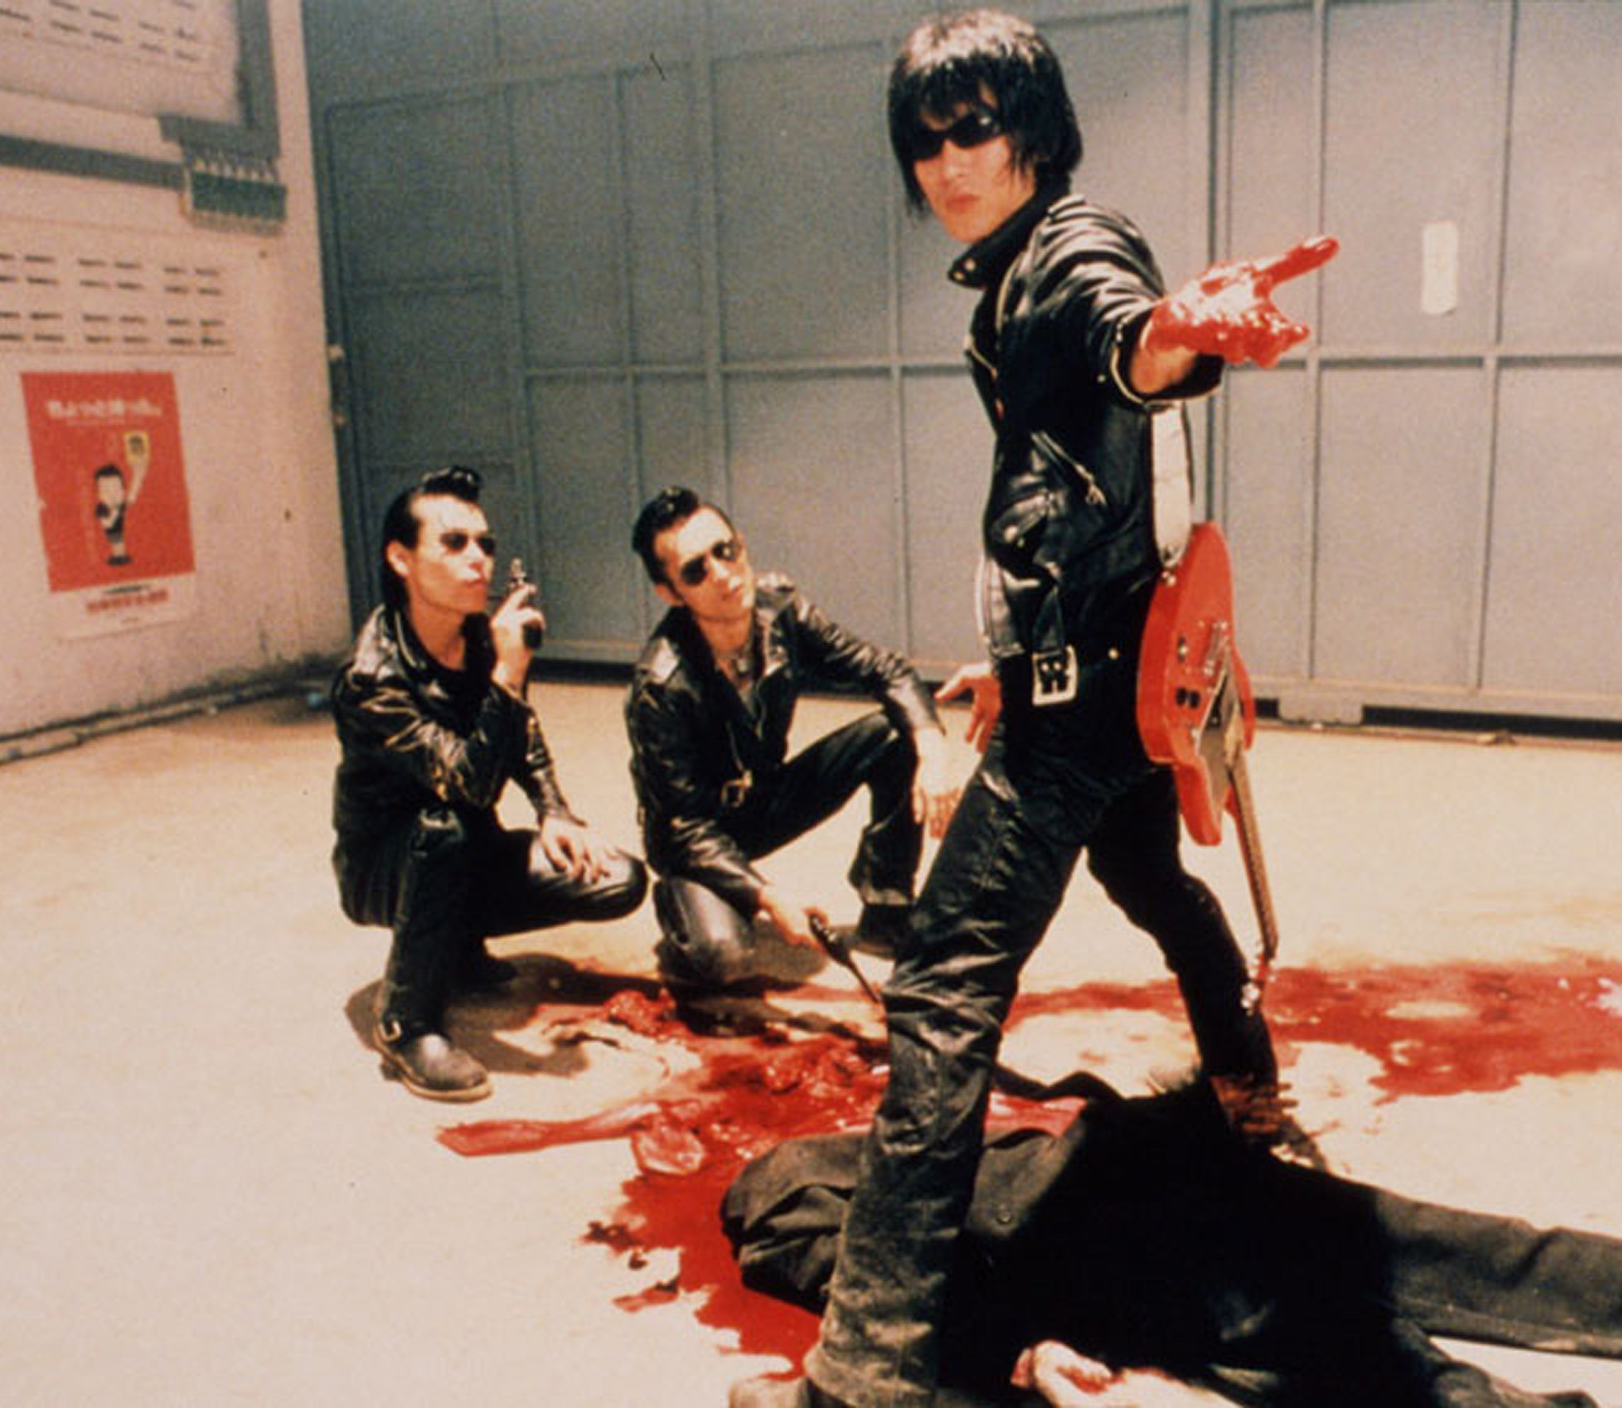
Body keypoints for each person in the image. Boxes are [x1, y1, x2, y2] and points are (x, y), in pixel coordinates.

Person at [733, 11, 1339, 1404]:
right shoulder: (1008, 279)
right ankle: (1244, 1079)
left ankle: (863, 1373)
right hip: (1105, 683)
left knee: (940, 995)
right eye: (924, 141)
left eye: (977, 128)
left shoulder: (1069, 252)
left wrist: (1174, 335)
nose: (950, 162)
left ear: (1036, 132)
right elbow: (1081, 477)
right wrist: (1014, 661)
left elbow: (1124, 341)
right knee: (1150, 879)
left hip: (1083, 713)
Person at [722, 1081, 1622, 1407]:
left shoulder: (933, 1121)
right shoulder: (784, 1188)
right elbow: (879, 1284)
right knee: (1383, 1329)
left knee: (1447, 1256)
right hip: (1120, 1253)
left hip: (1167, 1194)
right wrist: (1021, 1350)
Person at [331, 465, 645, 1101]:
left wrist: (555, 810)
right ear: (400, 558)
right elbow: (468, 784)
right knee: (442, 825)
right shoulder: (372, 678)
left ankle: (455, 946)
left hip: (464, 846)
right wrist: (506, 672)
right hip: (384, 868)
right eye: (454, 543)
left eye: (485, 543)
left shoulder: (476, 636)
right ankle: (406, 1022)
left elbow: (520, 731)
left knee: (617, 878)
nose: (478, 559)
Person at [625, 486, 953, 993]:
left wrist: (931, 745)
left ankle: (887, 913)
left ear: (741, 544)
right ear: (670, 592)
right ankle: (681, 909)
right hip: (697, 838)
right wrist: (770, 897)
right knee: (723, 959)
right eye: (695, 571)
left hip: (764, 797)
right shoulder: (660, 685)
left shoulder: (782, 611)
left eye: (725, 550)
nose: (722, 573)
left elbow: (885, 669)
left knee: (899, 731)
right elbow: (685, 828)